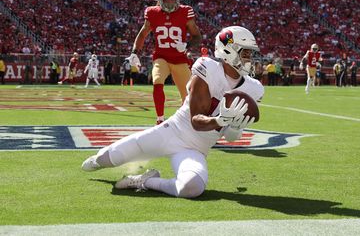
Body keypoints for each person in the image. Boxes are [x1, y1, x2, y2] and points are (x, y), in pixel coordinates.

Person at [81, 26, 264, 198]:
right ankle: (98, 160)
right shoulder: (208, 68)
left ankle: (146, 181)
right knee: (108, 158)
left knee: (192, 187)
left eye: (250, 53)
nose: (249, 59)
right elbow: (196, 121)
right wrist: (221, 120)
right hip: (171, 132)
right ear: (228, 50)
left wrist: (235, 127)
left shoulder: (253, 88)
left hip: (196, 149)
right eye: (245, 53)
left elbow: (231, 137)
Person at [126, 0, 201, 124]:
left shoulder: (186, 11)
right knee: (157, 81)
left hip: (180, 59)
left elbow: (197, 36)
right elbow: (142, 34)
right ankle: (160, 119)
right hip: (161, 57)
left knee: (188, 96)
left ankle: (185, 121)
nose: (170, 2)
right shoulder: (152, 12)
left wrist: (187, 45)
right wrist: (135, 52)